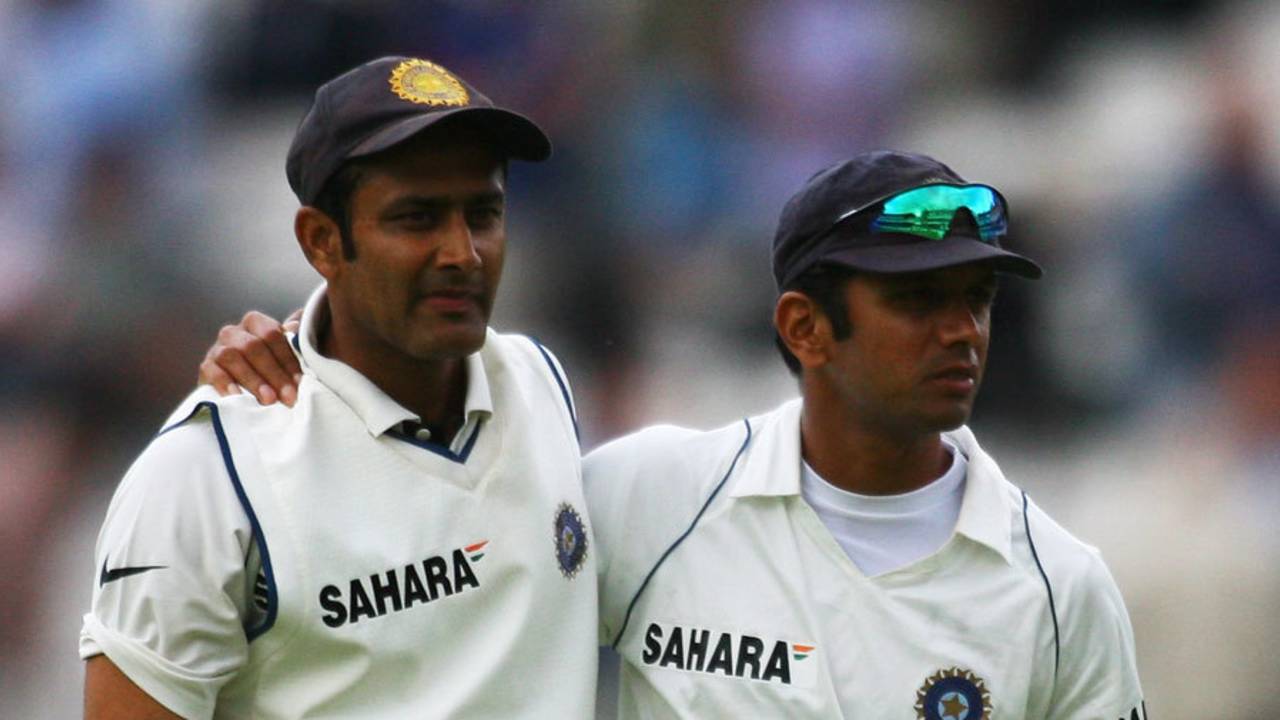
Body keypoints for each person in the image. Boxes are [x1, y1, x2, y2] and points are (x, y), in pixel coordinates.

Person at [204, 151, 1147, 719]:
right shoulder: (650, 499)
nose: (964, 332)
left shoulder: (1061, 590)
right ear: (802, 327)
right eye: (918, 301)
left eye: (975, 300)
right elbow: (431, 602)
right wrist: (299, 348)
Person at [81, 56, 597, 719]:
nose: (462, 252)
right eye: (418, 218)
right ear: (322, 241)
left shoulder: (543, 384)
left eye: (483, 213)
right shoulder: (205, 473)